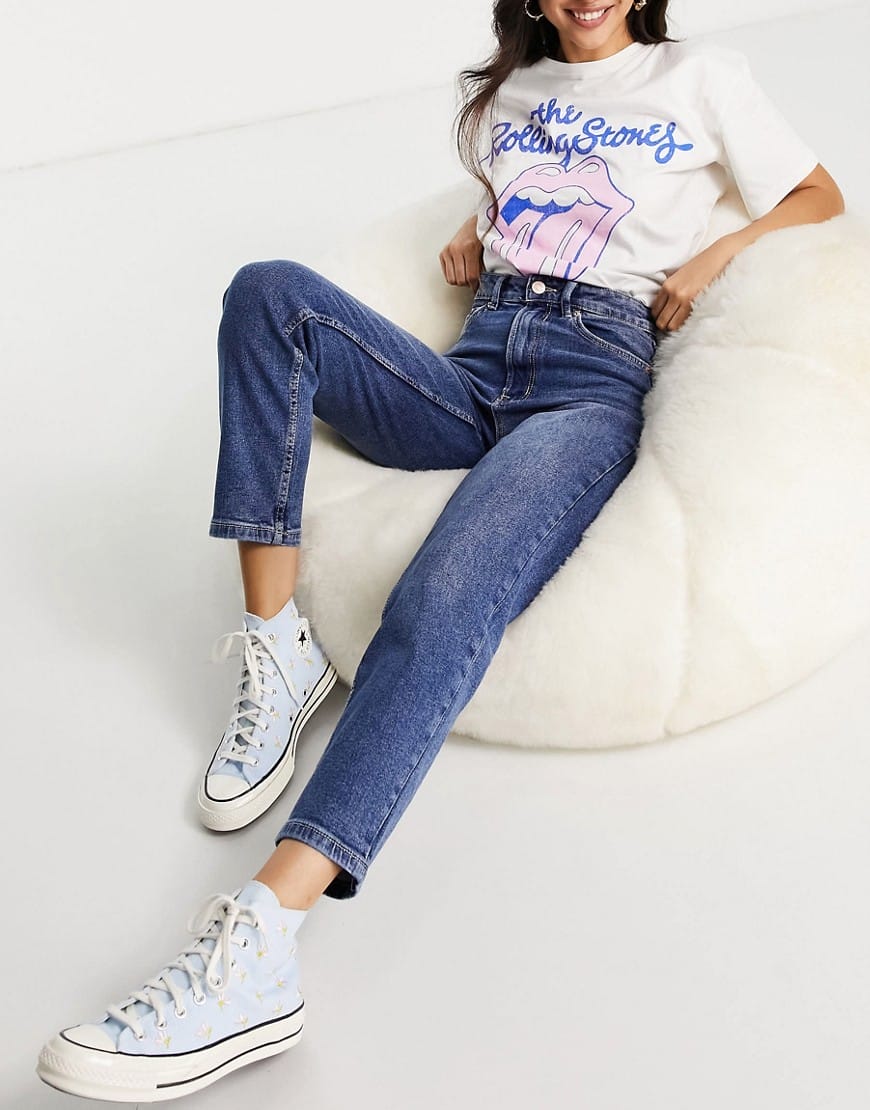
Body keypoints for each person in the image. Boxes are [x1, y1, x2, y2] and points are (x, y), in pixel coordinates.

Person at [37, 0, 845, 1102]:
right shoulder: (511, 95)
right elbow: (542, 193)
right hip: (474, 367)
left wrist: (716, 254)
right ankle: (277, 647)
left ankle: (263, 944)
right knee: (269, 293)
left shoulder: (702, 75)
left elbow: (817, 195)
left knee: (440, 600)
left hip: (588, 387)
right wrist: (481, 223)